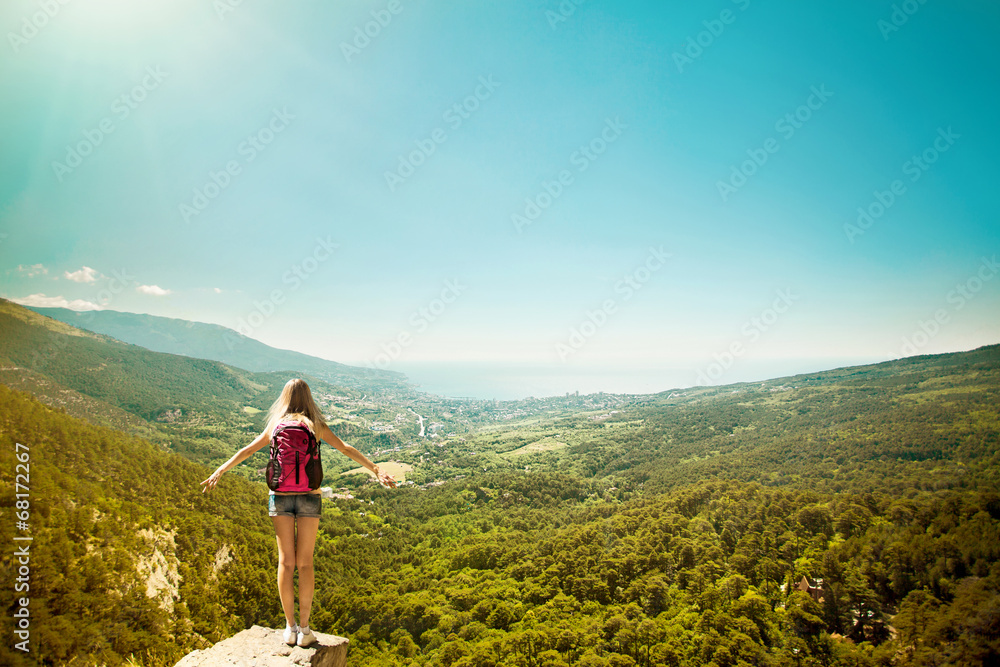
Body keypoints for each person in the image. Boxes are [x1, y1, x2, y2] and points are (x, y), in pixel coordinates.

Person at [200, 378, 396, 647]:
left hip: (279, 497)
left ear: (285, 397)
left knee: (285, 562)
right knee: (305, 563)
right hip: (309, 496)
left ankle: (289, 627)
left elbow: (246, 450)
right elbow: (346, 449)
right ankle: (305, 629)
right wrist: (376, 470)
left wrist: (220, 470)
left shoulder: (276, 425)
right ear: (308, 399)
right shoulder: (314, 426)